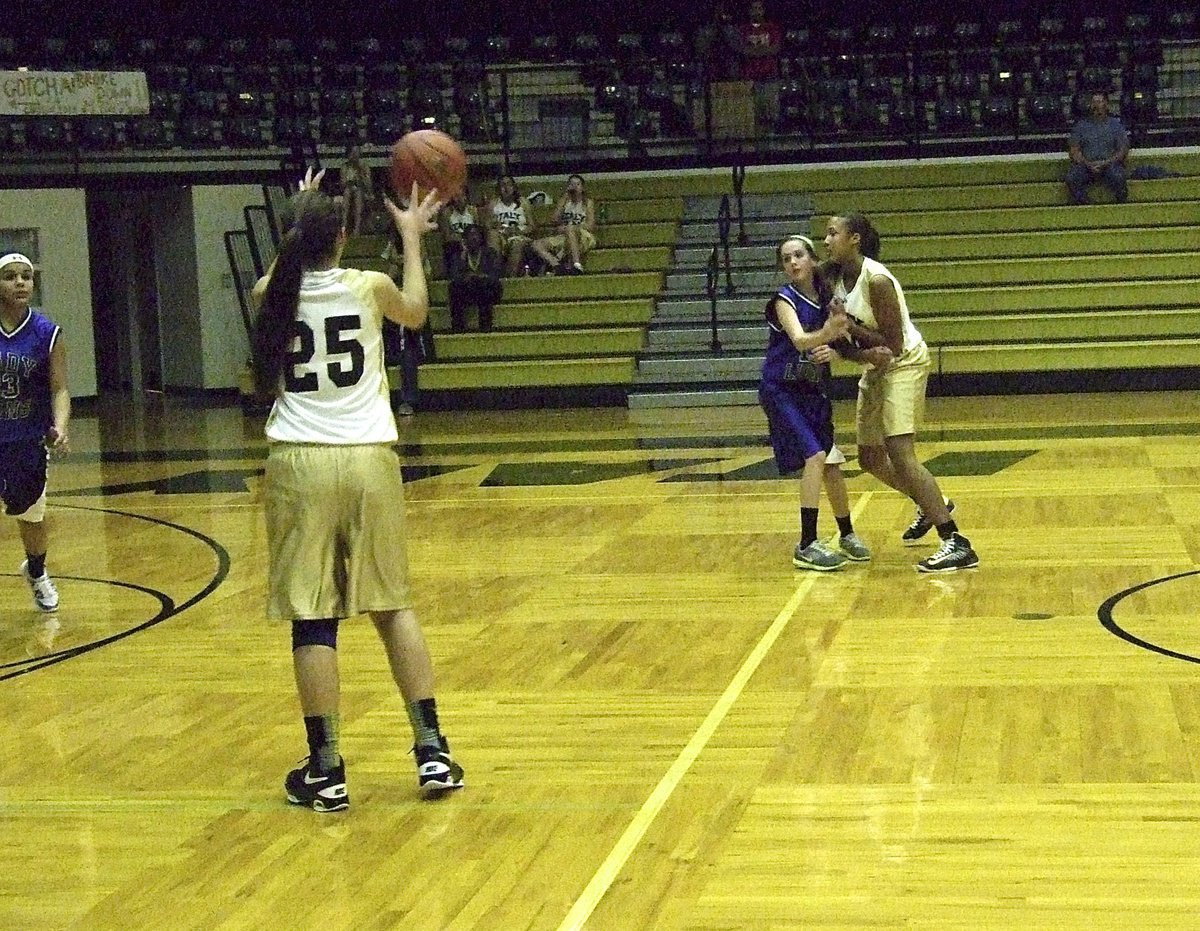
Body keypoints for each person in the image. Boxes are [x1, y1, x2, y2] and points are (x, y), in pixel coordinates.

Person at [250, 169, 464, 811]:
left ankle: (327, 767)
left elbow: (282, 273)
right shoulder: (370, 286)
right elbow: (419, 313)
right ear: (344, 236)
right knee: (392, 606)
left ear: (293, 235)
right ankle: (432, 753)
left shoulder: (269, 289)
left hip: (300, 461)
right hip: (370, 457)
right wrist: (412, 240)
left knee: (313, 620)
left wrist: (304, 211)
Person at [823, 213, 979, 573]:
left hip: (904, 362)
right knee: (870, 459)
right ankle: (934, 501)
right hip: (874, 366)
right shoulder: (834, 277)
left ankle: (955, 541)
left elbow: (892, 343)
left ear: (855, 239)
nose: (827, 241)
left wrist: (849, 330)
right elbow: (850, 343)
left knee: (901, 452)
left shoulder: (876, 280)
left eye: (833, 233)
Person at [759, 236, 877, 571]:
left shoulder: (828, 297)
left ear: (812, 260)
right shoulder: (783, 300)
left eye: (798, 255)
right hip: (781, 389)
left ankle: (846, 534)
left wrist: (837, 350)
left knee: (832, 463)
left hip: (813, 390)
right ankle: (807, 543)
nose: (793, 262)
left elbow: (840, 341)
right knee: (815, 455)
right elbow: (799, 340)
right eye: (786, 259)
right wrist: (826, 334)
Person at [0, 253, 70, 612]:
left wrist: (60, 425)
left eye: (26, 276)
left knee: (30, 516)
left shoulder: (47, 333)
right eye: (11, 276)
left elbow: (59, 388)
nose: (20, 282)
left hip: (27, 439)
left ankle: (38, 573)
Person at [1066, 91, 1130, 205]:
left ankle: (1121, 204)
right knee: (1072, 177)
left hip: (1110, 165)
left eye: (1099, 101)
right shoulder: (1080, 126)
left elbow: (1123, 150)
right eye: (1094, 102)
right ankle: (1084, 204)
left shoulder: (1116, 125)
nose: (1096, 105)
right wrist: (1088, 164)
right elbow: (1074, 151)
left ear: (1106, 104)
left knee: (1118, 176)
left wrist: (1107, 162)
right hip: (1086, 166)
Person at [728, 0, 782, 132]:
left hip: (770, 77)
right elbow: (742, 50)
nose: (757, 11)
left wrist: (754, 51)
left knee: (772, 115)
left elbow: (775, 49)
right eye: (754, 8)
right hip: (750, 79)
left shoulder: (772, 28)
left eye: (759, 8)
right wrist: (763, 50)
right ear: (749, 11)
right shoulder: (743, 29)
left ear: (763, 10)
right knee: (753, 116)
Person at [530, 173, 598, 275]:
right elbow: (554, 220)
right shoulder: (565, 201)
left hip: (583, 236)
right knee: (536, 244)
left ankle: (577, 265)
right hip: (566, 236)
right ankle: (556, 265)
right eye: (572, 184)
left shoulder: (588, 203)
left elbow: (590, 226)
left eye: (577, 184)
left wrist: (572, 228)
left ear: (582, 188)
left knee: (570, 229)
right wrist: (563, 201)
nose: (574, 187)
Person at [448, 224, 503, 333]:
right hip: (468, 290)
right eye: (470, 235)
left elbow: (495, 275)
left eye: (476, 235)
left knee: (485, 286)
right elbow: (454, 276)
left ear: (481, 238)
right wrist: (463, 260)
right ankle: (458, 328)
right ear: (465, 239)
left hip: (486, 290)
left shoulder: (490, 253)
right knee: (454, 288)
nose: (473, 238)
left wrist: (479, 276)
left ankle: (485, 327)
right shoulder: (459, 255)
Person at [486, 174, 533, 277]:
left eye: (509, 184)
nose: (506, 188)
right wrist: (495, 225)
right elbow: (487, 226)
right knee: (492, 235)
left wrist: (518, 231)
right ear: (498, 189)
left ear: (514, 187)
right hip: (501, 236)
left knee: (517, 243)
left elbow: (532, 226)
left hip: (519, 236)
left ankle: (510, 278)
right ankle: (495, 275)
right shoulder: (494, 204)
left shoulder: (523, 202)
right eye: (503, 185)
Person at [438, 190, 479, 270]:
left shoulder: (473, 211)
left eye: (462, 196)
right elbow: (447, 236)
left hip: (471, 242)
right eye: (456, 196)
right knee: (454, 247)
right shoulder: (446, 213)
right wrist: (462, 241)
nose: (459, 199)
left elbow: (477, 232)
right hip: (454, 244)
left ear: (466, 197)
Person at [340, 144, 374, 235]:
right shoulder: (345, 167)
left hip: (360, 189)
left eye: (357, 153)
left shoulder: (364, 166)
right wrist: (349, 181)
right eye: (353, 153)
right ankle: (344, 227)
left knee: (358, 196)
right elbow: (342, 183)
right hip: (348, 189)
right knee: (347, 193)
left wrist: (361, 174)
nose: (355, 155)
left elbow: (368, 183)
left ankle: (357, 229)